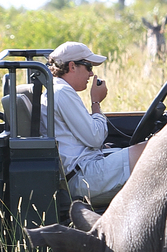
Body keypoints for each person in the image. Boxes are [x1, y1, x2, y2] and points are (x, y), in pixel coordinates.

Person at [44, 41, 148, 207]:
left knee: (149, 150)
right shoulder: (62, 92)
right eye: (89, 67)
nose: (92, 74)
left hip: (84, 168)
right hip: (82, 178)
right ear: (72, 66)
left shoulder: (60, 90)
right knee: (153, 149)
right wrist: (96, 102)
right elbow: (95, 138)